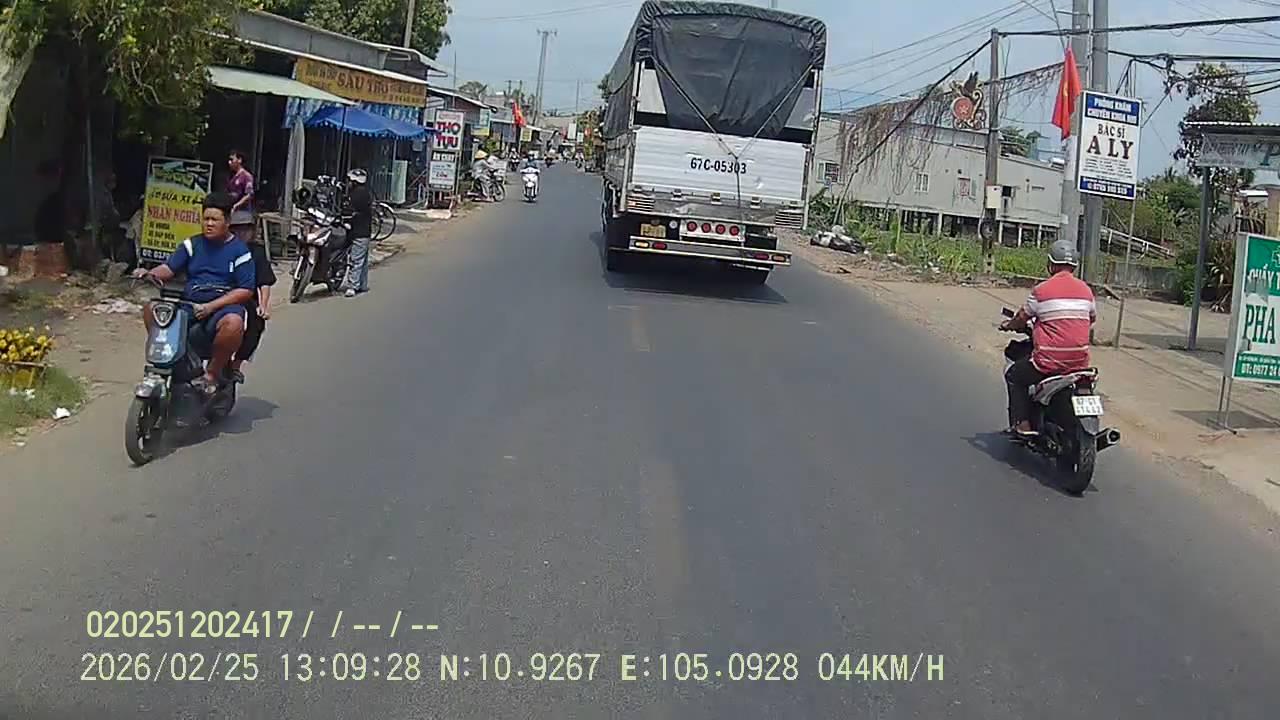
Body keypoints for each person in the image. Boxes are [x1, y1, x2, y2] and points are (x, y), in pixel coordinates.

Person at [133, 192, 254, 396]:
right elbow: (169, 268)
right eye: (205, 219)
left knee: (234, 323)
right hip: (190, 304)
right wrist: (149, 273)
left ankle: (212, 373)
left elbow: (245, 290)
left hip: (222, 308)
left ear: (227, 222)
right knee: (152, 309)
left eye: (214, 219)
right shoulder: (192, 245)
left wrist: (211, 306)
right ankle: (170, 361)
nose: (209, 224)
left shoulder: (240, 251)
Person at [1000, 239, 1097, 436]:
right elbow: (1091, 319)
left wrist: (1009, 325)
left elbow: (1021, 317)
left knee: (1014, 376)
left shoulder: (1041, 290)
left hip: (1048, 362)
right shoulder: (1086, 291)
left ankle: (1022, 424)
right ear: (1074, 266)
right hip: (1079, 363)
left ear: (1051, 265)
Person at [228, 230, 277, 384]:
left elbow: (264, 281)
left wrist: (263, 305)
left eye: (246, 228)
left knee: (256, 324)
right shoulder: (216, 247)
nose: (241, 233)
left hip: (245, 299)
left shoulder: (256, 252)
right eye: (237, 228)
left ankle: (236, 365)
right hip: (216, 296)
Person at [341, 168, 374, 298]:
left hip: (359, 231)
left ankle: (352, 286)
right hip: (363, 231)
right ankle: (362, 284)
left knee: (356, 259)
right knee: (362, 259)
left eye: (350, 180)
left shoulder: (357, 195)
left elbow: (350, 211)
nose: (348, 183)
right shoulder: (364, 193)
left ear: (354, 182)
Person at [226, 150, 256, 243]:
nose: (229, 162)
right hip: (232, 215)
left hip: (243, 217)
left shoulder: (246, 176)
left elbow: (249, 195)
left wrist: (236, 205)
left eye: (232, 159)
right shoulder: (232, 176)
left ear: (239, 160)